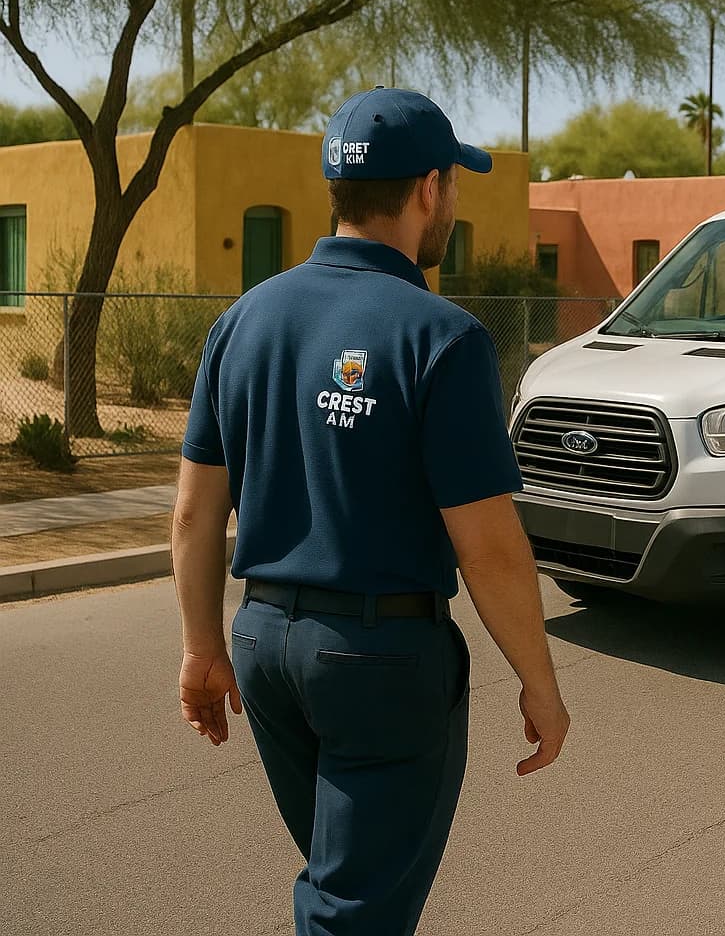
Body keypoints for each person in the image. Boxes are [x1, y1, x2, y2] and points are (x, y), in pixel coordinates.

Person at [171, 87, 569, 935]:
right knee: (352, 914)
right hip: (379, 662)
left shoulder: (242, 321)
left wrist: (204, 646)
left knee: (340, 878)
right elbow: (490, 549)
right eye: (454, 183)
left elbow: (193, 515)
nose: (453, 200)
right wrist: (541, 681)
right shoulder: (443, 338)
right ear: (428, 187)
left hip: (264, 648)